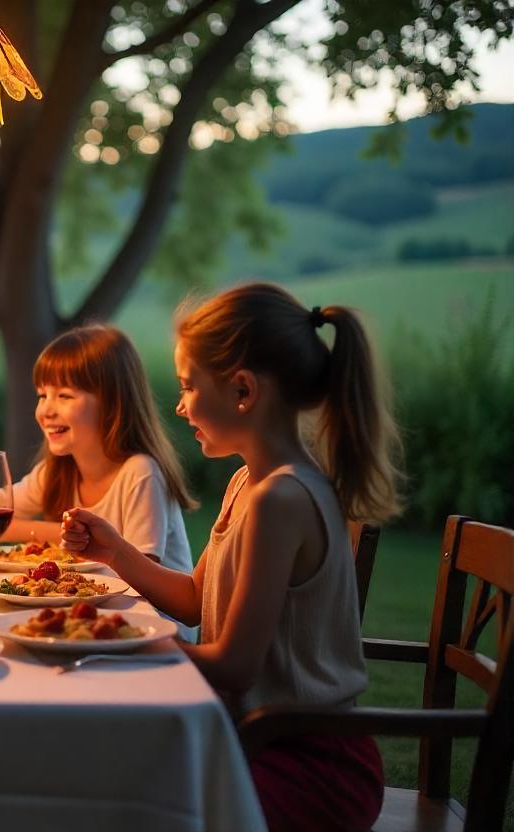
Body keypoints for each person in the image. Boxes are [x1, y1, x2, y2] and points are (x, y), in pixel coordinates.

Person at [62, 284, 402, 832]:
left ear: (243, 389)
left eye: (188, 386)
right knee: (110, 778)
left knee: (127, 803)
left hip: (308, 763)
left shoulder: (281, 499)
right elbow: (194, 601)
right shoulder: (249, 483)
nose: (179, 405)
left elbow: (234, 666)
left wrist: (126, 642)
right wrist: (116, 551)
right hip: (252, 738)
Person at [0, 323, 195, 574]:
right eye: (42, 395)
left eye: (64, 395)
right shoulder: (57, 471)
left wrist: (52, 533)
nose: (46, 410)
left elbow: (143, 579)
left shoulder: (140, 473)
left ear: (112, 404)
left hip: (154, 614)